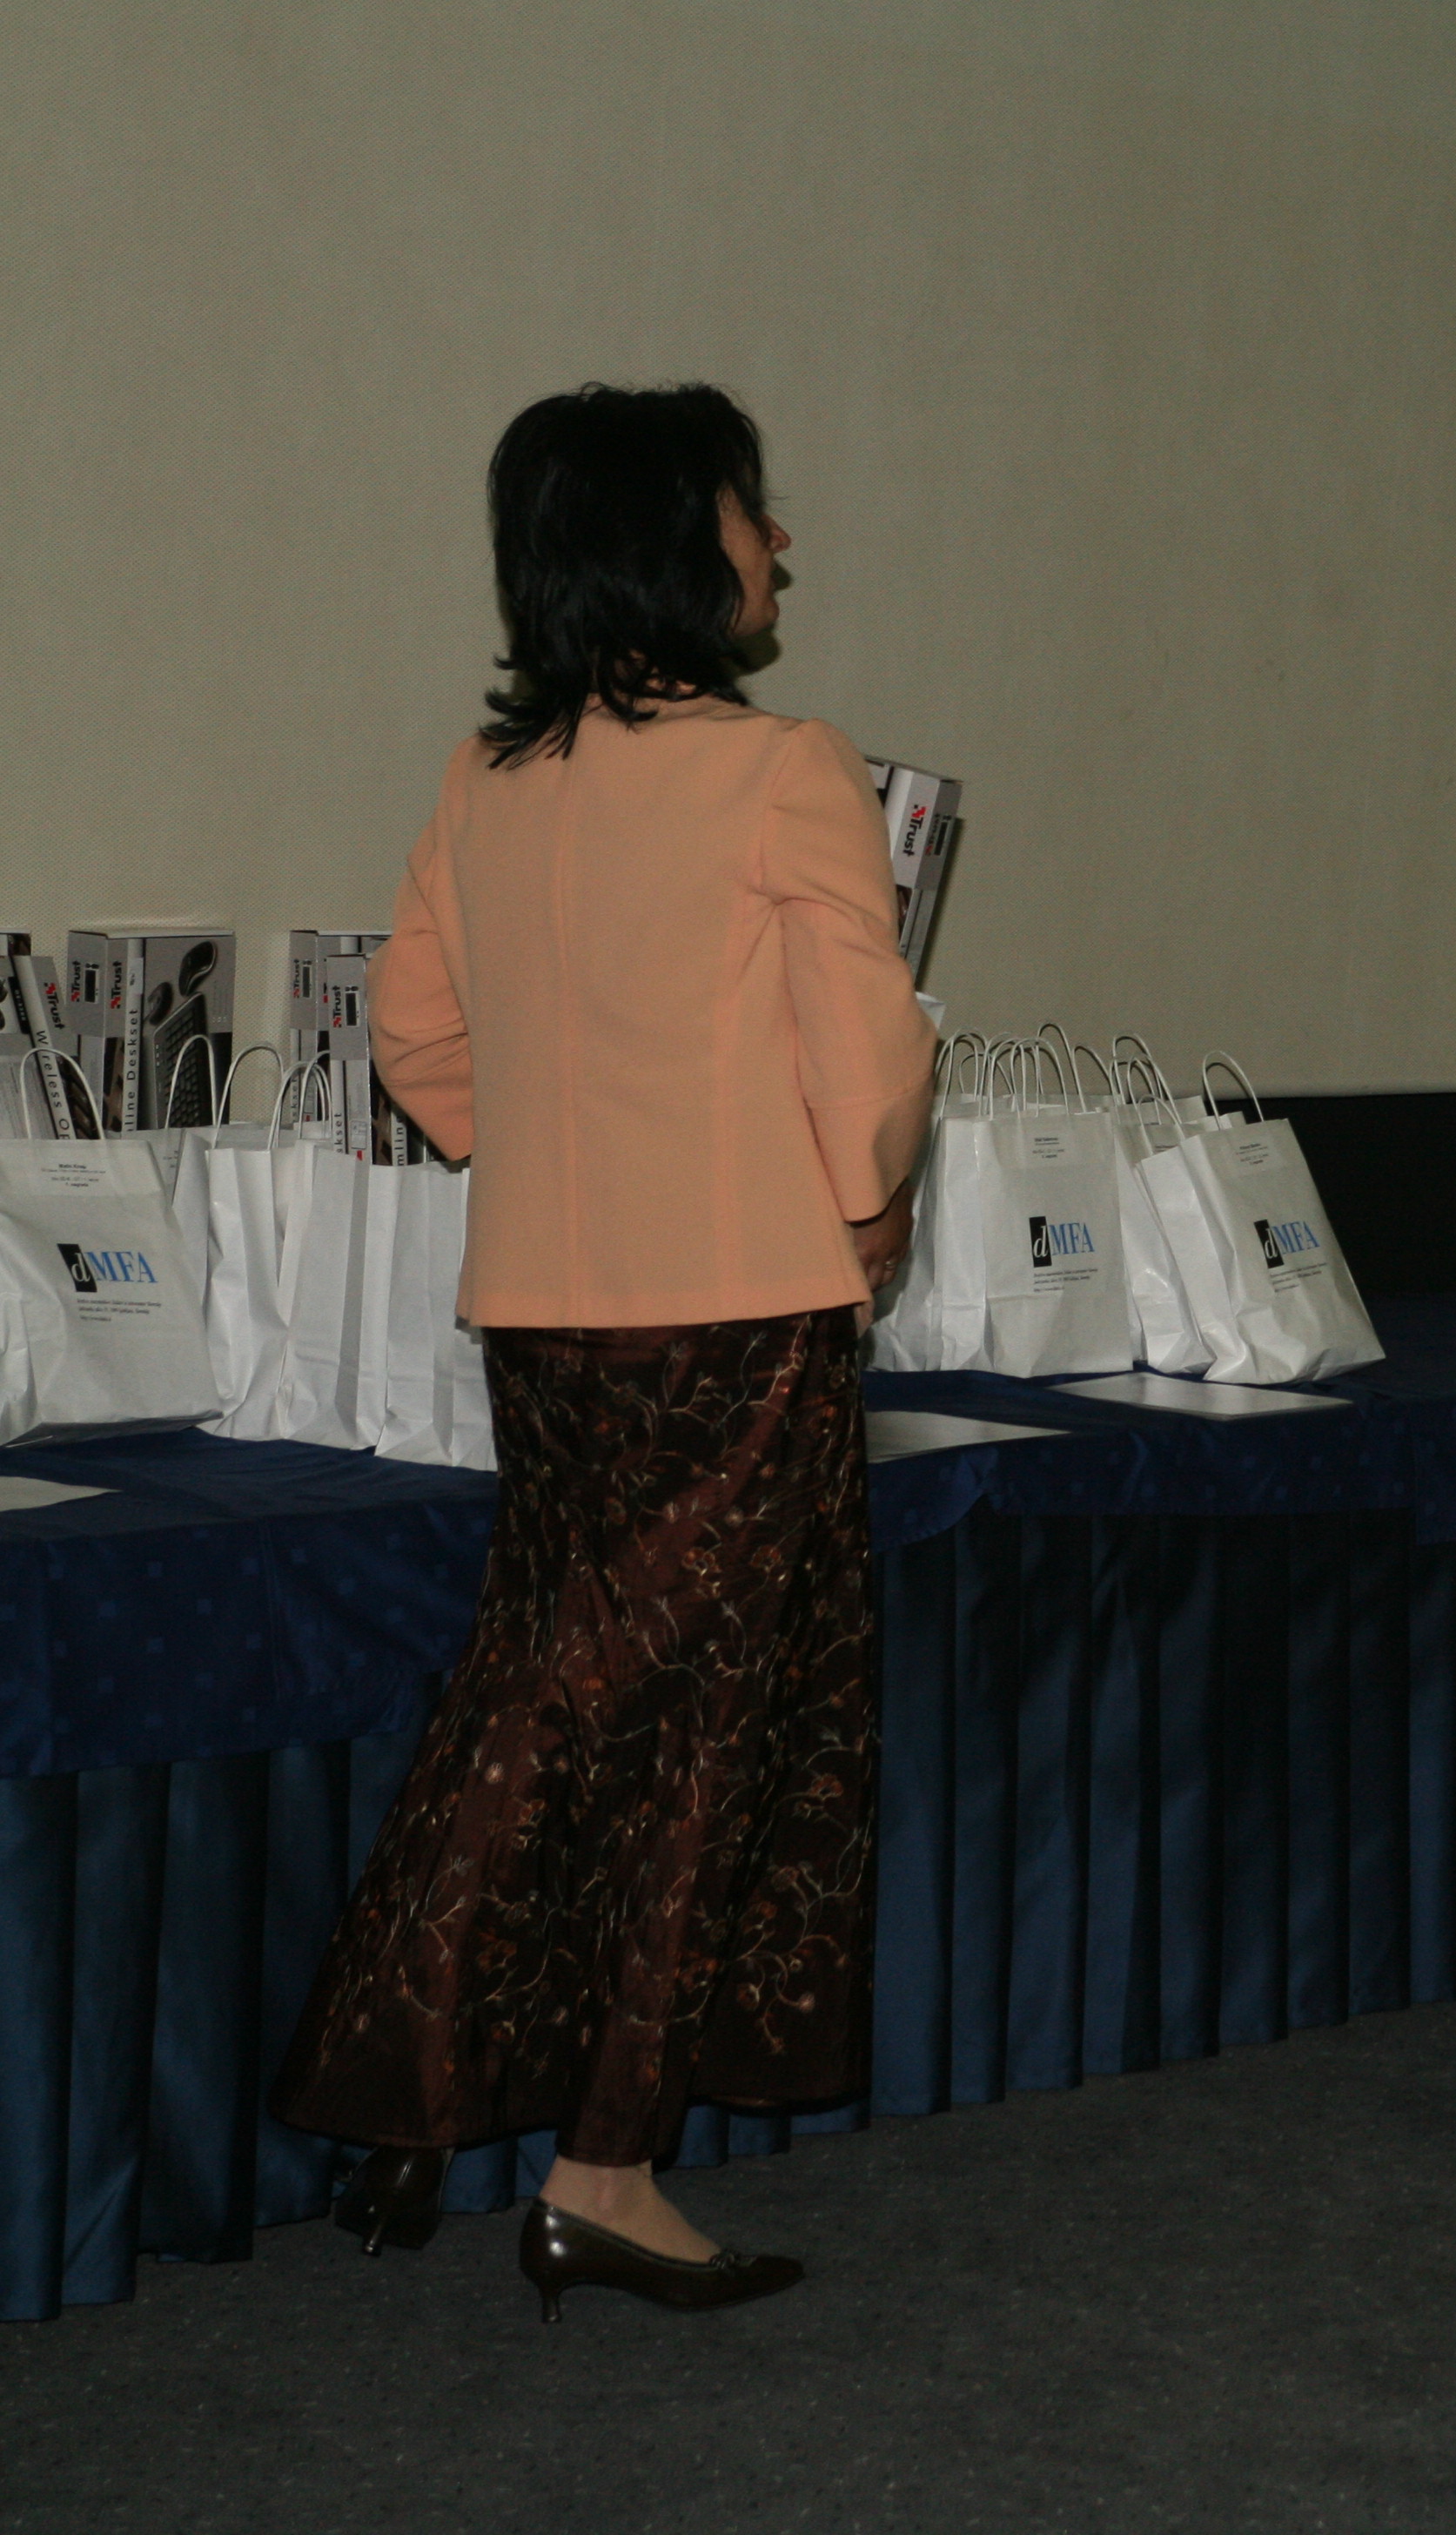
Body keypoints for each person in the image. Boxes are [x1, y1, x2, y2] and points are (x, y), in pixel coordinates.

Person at [271, 384, 936, 2321]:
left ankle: (423, 2077)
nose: (780, 542)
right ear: (671, 538)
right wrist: (865, 1200)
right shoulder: (784, 768)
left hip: (549, 1314)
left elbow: (416, 1037)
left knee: (546, 1682)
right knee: (705, 1739)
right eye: (750, 506)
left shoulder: (487, 783)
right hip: (737, 1312)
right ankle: (600, 2169)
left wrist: (561, 1155)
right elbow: (870, 1057)